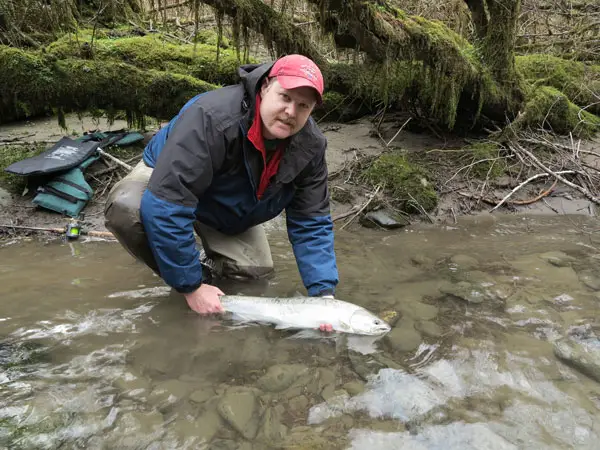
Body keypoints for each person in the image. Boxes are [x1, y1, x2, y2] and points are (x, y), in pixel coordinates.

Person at [104, 54, 339, 318]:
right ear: (265, 87)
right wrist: (191, 286)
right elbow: (165, 203)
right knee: (126, 209)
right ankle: (190, 274)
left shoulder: (311, 146)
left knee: (250, 279)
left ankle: (201, 274)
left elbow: (311, 221)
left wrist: (323, 295)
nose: (290, 113)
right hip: (165, 183)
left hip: (229, 204)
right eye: (285, 97)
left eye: (303, 106)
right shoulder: (212, 117)